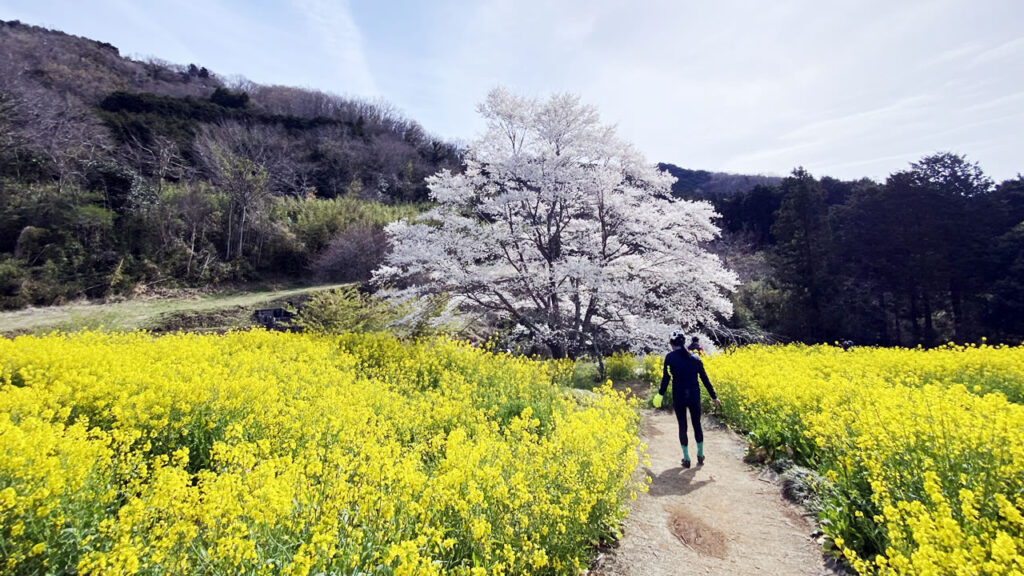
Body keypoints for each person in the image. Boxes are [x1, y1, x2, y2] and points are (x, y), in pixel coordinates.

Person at [653, 331, 721, 468]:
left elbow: (666, 378)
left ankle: (686, 458)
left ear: (672, 344)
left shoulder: (670, 358)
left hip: (679, 397)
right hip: (694, 396)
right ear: (684, 343)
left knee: (682, 426)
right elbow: (705, 379)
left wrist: (660, 394)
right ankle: (700, 455)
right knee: (697, 425)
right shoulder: (695, 359)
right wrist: (714, 397)